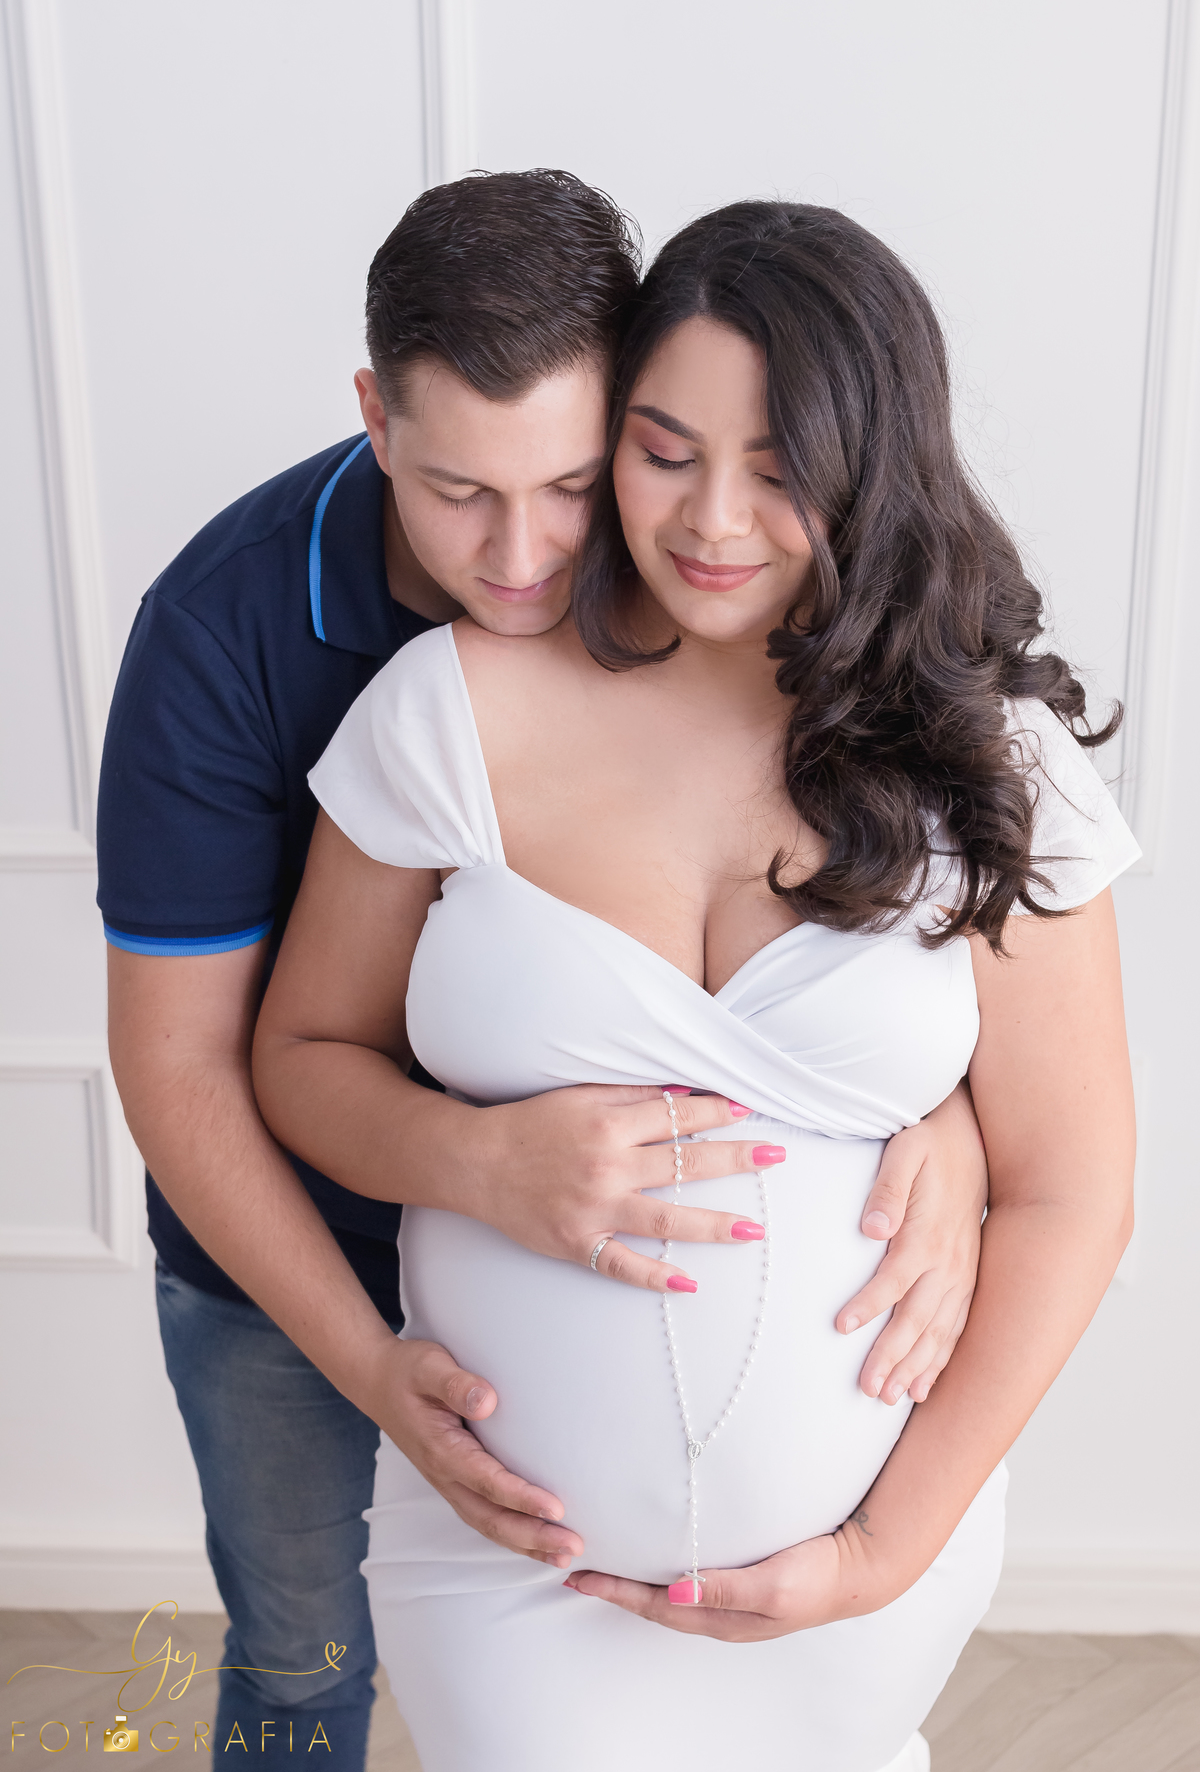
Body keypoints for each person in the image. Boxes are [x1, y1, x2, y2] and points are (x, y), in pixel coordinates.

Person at [99, 174, 987, 1770]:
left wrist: (960, 1133)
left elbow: (895, 977)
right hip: (282, 1255)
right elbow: (186, 1068)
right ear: (374, 416)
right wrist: (400, 1315)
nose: (521, 557)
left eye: (578, 482)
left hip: (683, 1433)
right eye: (456, 492)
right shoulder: (221, 632)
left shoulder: (714, 588)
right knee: (303, 1665)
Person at [252, 198, 1138, 1772]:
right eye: (664, 451)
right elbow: (303, 1054)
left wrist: (883, 1553)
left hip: (865, 1561)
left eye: (782, 468)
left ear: (876, 466)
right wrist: (472, 1157)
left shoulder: (997, 761)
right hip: (514, 1549)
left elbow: (1077, 1193)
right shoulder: (453, 707)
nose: (713, 518)